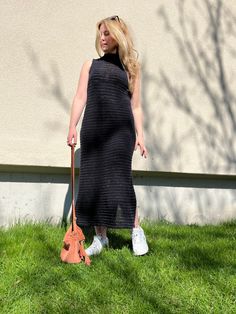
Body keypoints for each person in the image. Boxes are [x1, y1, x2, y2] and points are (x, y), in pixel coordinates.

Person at [67, 15, 148, 257]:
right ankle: (100, 237)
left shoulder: (130, 70)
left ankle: (136, 230)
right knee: (94, 182)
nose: (102, 38)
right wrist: (72, 125)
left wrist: (140, 135)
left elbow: (136, 106)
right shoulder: (89, 65)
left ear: (118, 36)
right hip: (93, 131)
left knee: (121, 180)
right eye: (100, 34)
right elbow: (80, 96)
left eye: (107, 34)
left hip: (121, 133)